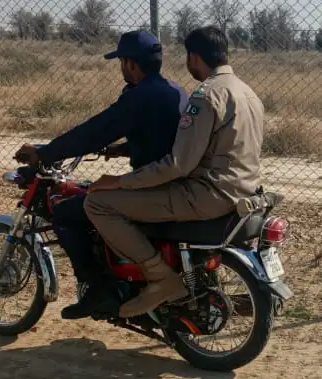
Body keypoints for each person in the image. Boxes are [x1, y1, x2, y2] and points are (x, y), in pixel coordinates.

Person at [84, 25, 265, 318]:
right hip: (244, 192)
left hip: (205, 195)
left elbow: (178, 164)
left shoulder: (206, 96)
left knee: (97, 203)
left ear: (194, 57)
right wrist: (125, 150)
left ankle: (160, 278)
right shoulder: (248, 92)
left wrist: (120, 181)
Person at [13, 29, 188, 320]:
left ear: (131, 63)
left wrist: (44, 153)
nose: (121, 68)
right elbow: (161, 137)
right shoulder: (175, 90)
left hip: (154, 188)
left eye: (122, 62)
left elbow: (94, 132)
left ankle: (97, 288)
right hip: (172, 182)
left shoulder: (140, 96)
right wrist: (123, 149)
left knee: (67, 212)